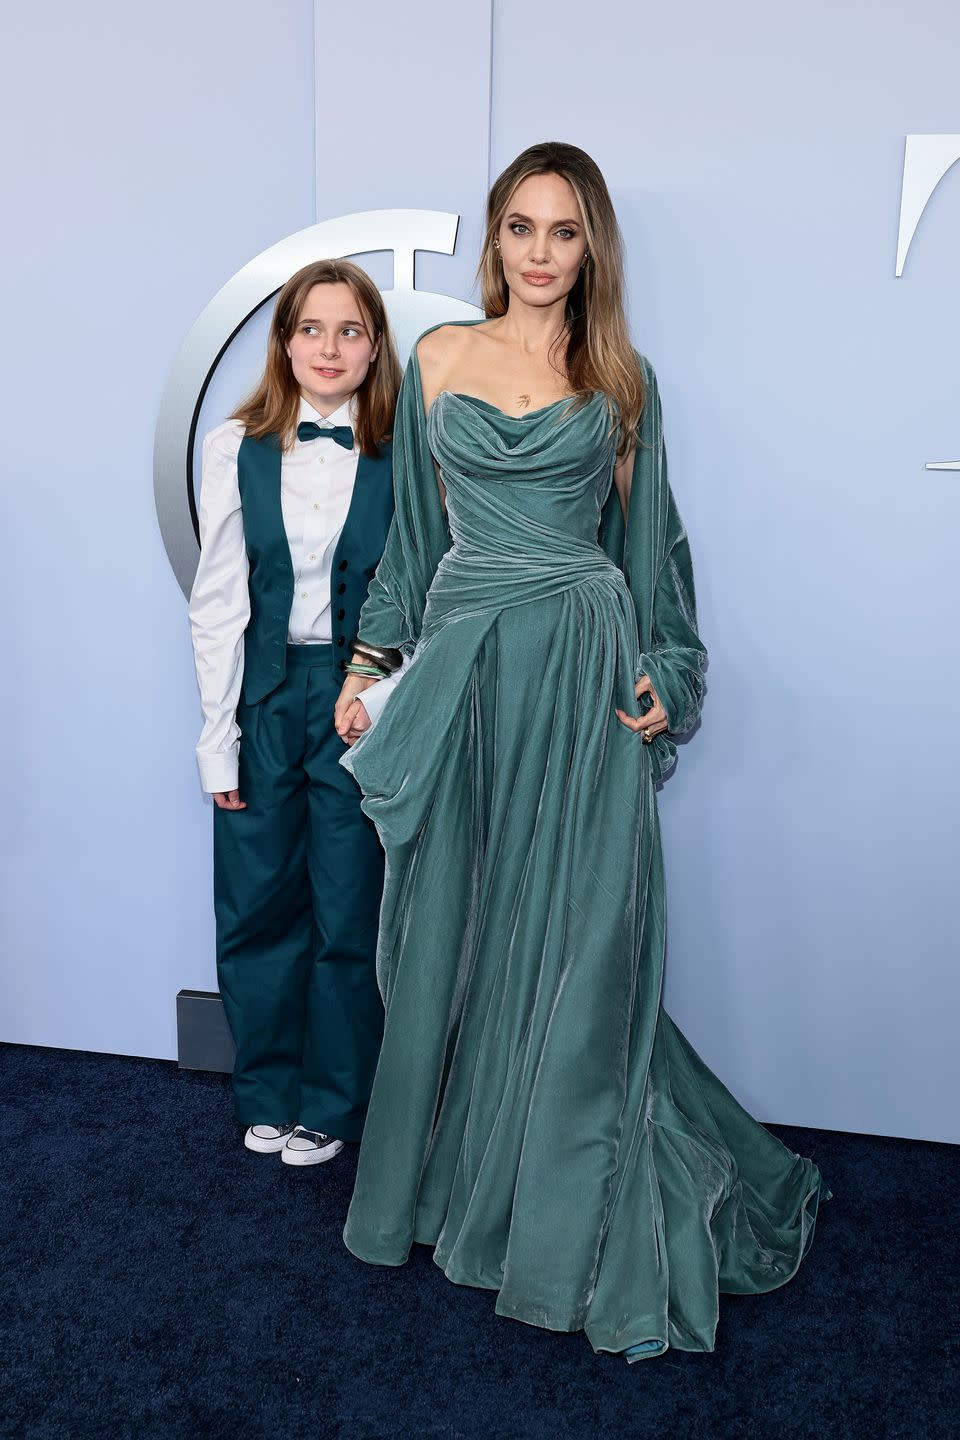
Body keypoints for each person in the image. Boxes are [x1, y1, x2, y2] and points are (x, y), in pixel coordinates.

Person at [333, 143, 829, 1359]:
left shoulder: (622, 378)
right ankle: (452, 1190)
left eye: (564, 232)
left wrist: (669, 666)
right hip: (465, 674)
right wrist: (368, 661)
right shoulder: (437, 357)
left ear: (591, 246)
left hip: (581, 672)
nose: (541, 253)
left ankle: (555, 1204)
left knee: (576, 941)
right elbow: (409, 543)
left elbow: (650, 542)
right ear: (493, 241)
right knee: (450, 930)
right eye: (520, 227)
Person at [188, 259, 401, 1166]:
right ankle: (266, 1088)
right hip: (265, 696)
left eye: (350, 330)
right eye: (311, 328)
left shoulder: (406, 447)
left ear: (374, 346)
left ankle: (333, 1099)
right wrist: (217, 740)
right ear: (283, 341)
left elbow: (418, 589)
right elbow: (218, 599)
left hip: (361, 701)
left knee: (349, 909)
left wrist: (379, 691)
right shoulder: (235, 444)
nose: (329, 347)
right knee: (257, 902)